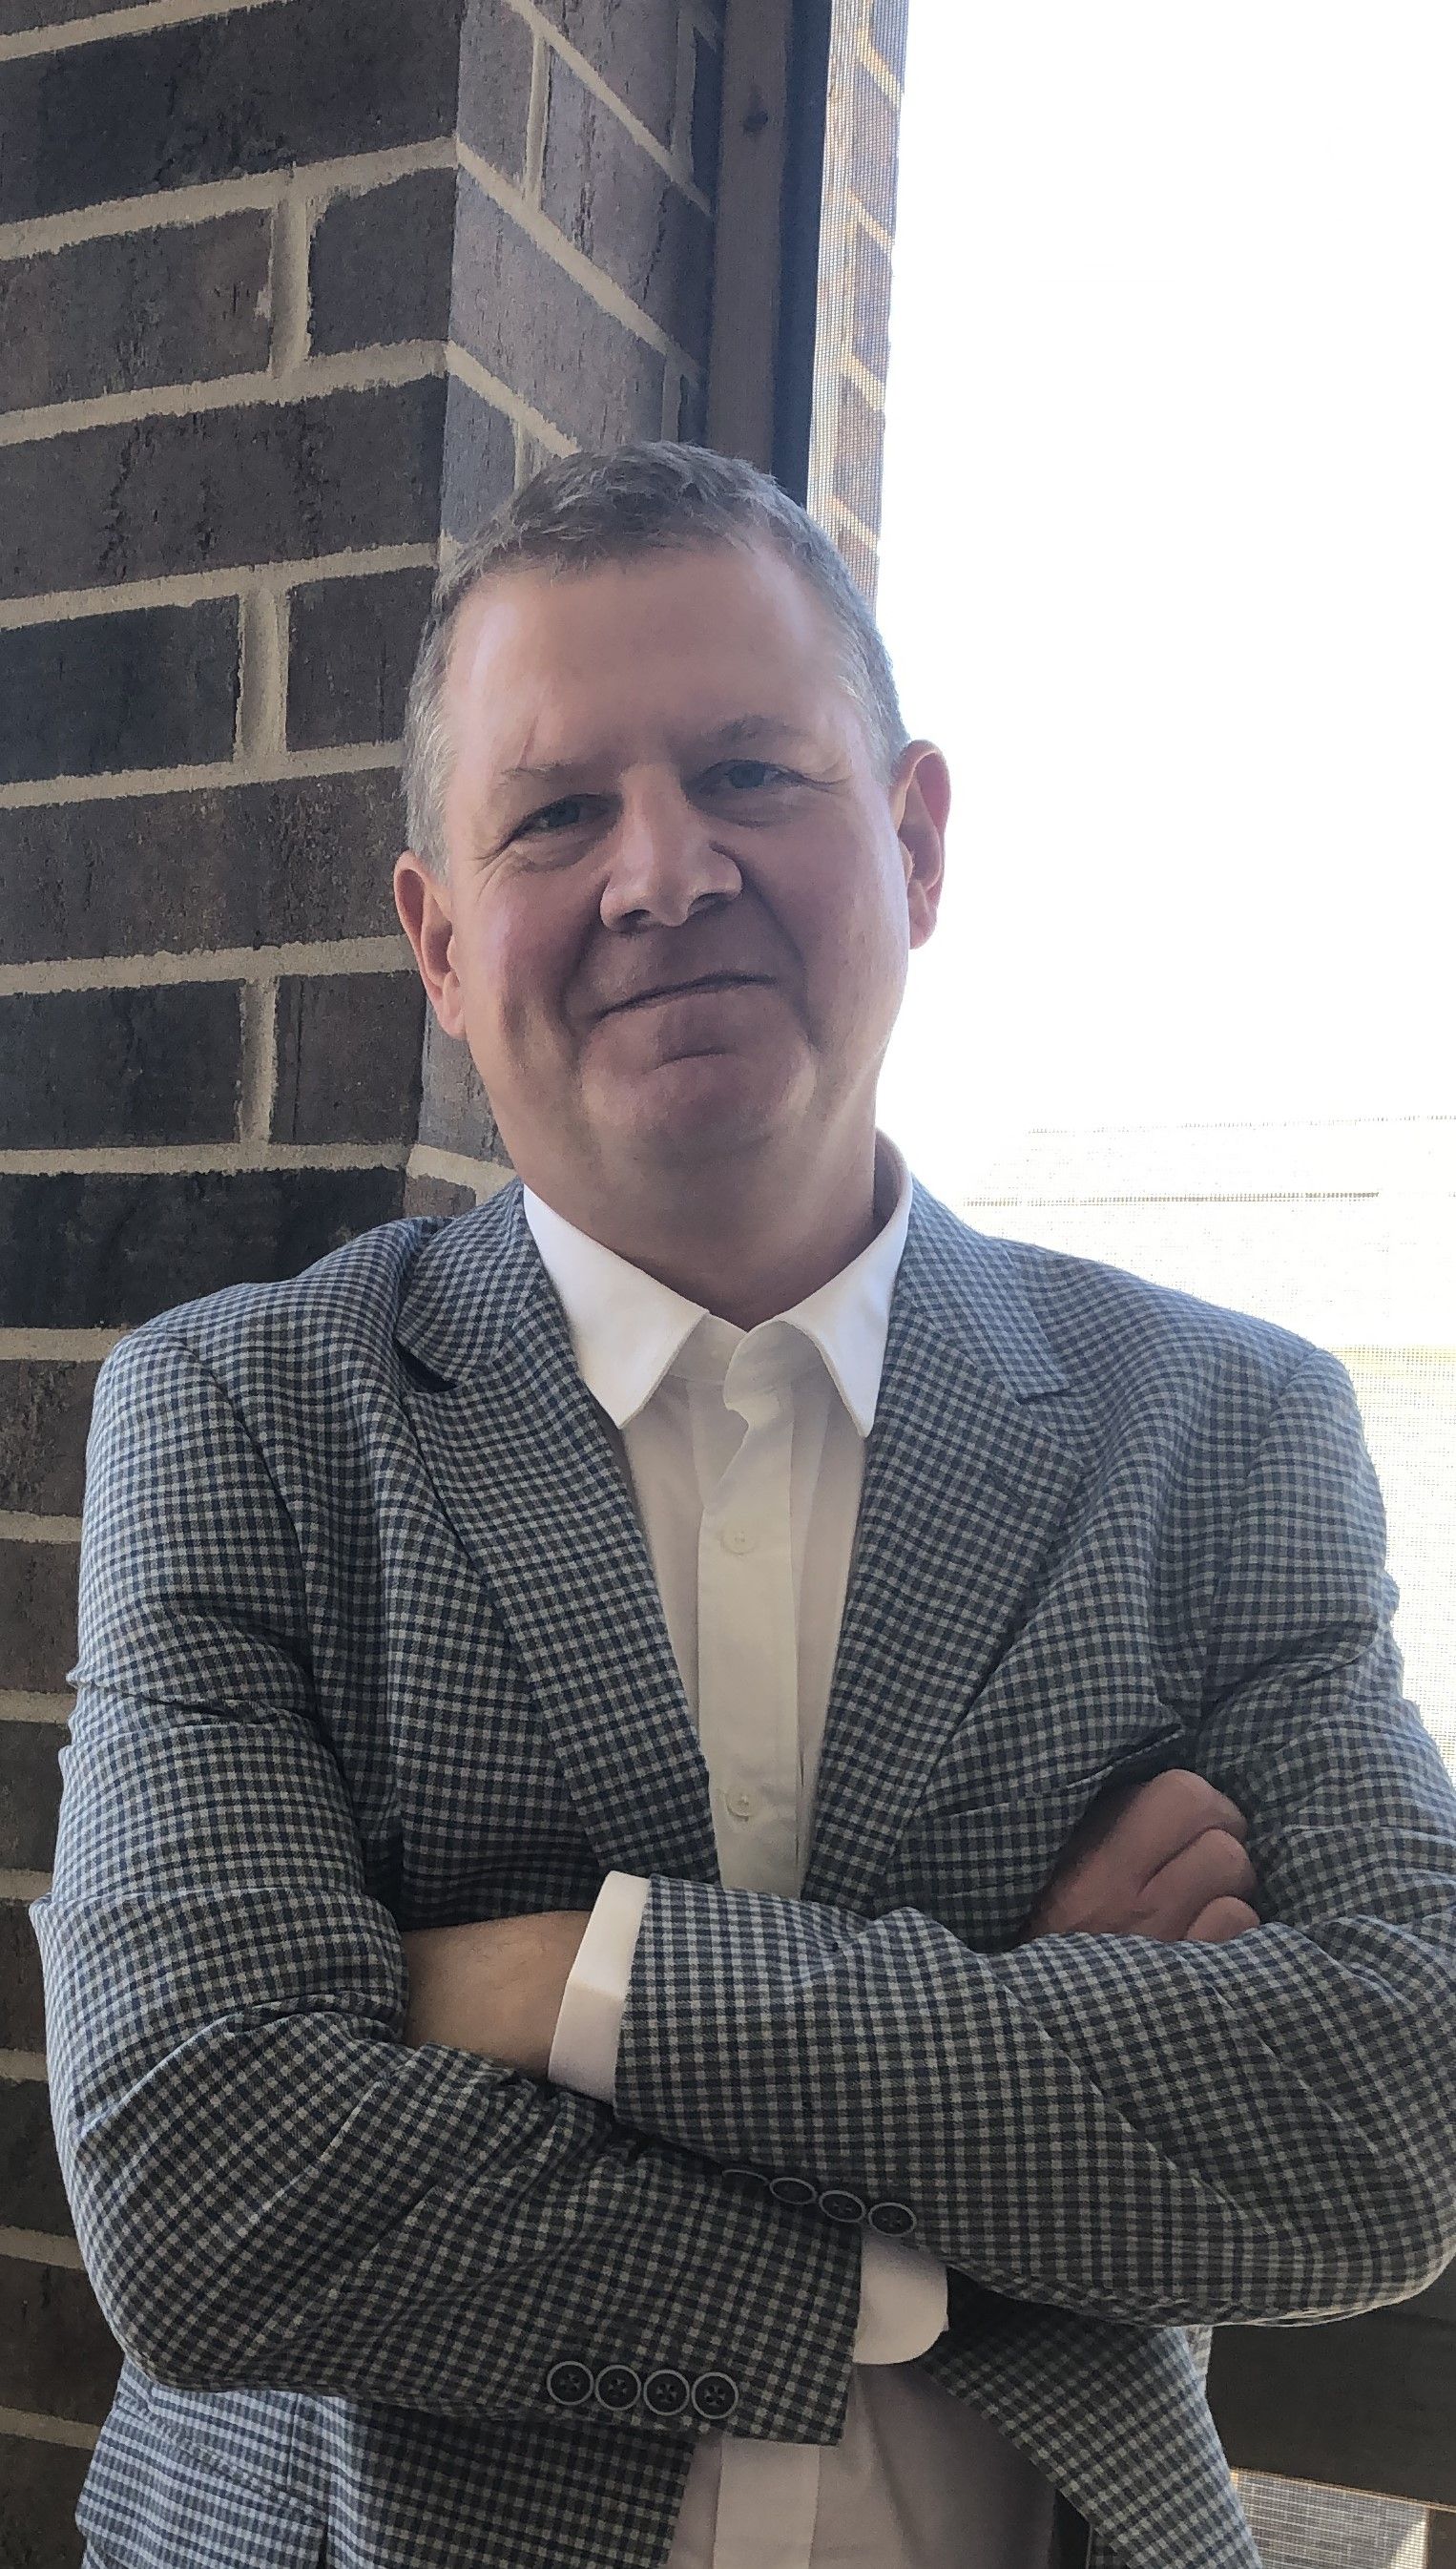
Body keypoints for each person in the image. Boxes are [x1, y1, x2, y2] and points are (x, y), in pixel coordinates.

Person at [31, 442, 1456, 2569]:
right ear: (437, 937)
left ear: (914, 838)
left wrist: (560, 1983)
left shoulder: (1221, 1427)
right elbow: (208, 2183)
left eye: (749, 773)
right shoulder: (244, 1414)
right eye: (556, 811)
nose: (663, 869)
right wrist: (941, 2230)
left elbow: (1387, 2108)